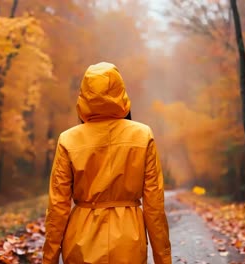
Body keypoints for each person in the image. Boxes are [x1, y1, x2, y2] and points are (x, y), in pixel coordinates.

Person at [42, 62, 171, 264]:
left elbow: (58, 207)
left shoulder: (68, 139)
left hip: (81, 241)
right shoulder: (142, 135)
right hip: (129, 242)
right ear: (121, 92)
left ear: (84, 95)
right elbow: (155, 206)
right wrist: (163, 259)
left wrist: (49, 259)